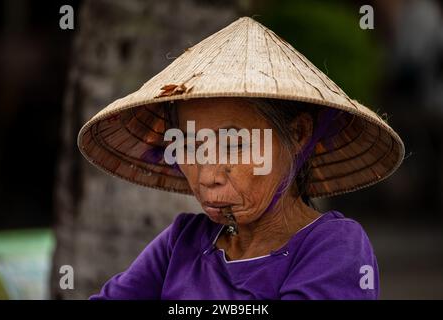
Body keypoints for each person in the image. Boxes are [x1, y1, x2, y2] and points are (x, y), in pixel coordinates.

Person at [78, 17, 405, 300]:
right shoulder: (183, 241)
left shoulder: (335, 248)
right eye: (191, 146)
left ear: (298, 134)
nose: (208, 176)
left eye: (233, 145)